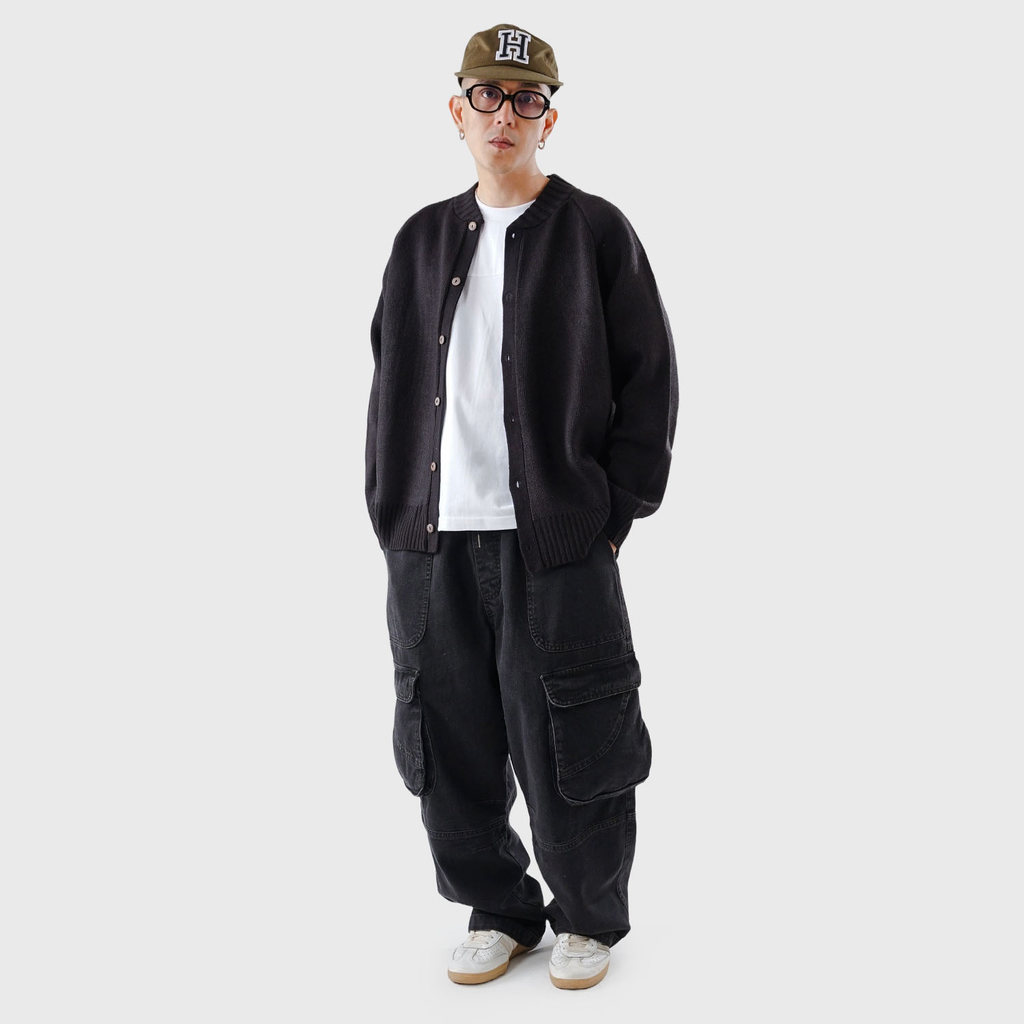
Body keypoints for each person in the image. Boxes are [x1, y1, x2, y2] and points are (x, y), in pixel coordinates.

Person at [364, 23, 678, 990]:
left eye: (527, 98)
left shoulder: (595, 231)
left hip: (556, 540)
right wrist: (392, 510)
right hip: (432, 542)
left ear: (550, 118)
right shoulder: (421, 239)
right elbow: (389, 377)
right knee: (446, 736)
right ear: (457, 111)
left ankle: (587, 915)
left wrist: (613, 514)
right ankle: (499, 908)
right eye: (488, 96)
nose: (505, 114)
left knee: (574, 734)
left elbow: (650, 379)